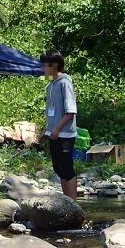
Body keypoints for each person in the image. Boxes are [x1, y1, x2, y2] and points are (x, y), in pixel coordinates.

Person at [40, 50, 79, 200]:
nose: (43, 69)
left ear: (54, 65)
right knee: (58, 169)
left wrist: (57, 129)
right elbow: (52, 112)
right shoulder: (50, 85)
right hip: (54, 134)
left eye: (45, 66)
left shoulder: (65, 83)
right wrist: (47, 130)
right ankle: (66, 200)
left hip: (65, 134)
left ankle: (72, 204)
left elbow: (70, 111)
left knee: (66, 169)